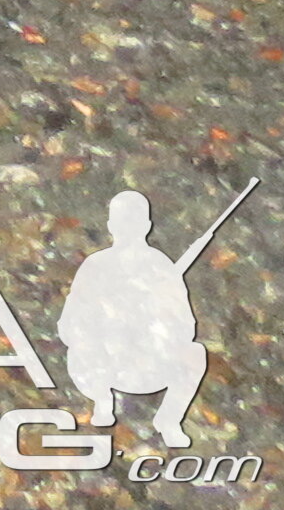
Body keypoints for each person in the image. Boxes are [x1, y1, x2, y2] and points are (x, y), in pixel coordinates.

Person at [55, 189, 213, 448]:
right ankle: (102, 400)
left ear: (147, 226)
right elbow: (69, 324)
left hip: (148, 362)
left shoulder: (161, 267)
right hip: (102, 363)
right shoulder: (96, 266)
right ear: (111, 226)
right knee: (86, 345)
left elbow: (186, 327)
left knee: (195, 353)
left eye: (134, 221)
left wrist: (157, 312)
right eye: (121, 221)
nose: (127, 228)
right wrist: (107, 320)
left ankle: (169, 419)